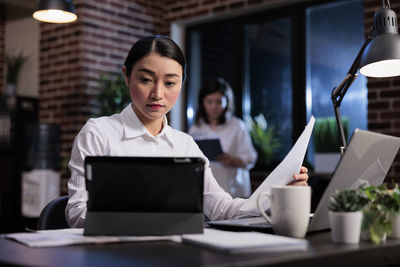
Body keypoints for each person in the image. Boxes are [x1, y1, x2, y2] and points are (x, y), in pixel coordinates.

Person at [66, 35, 308, 228]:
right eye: (146, 80)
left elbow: (221, 209)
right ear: (127, 76)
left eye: (170, 83)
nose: (158, 94)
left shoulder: (185, 145)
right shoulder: (98, 132)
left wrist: (275, 196)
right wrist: (139, 221)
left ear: (182, 83)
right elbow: (77, 212)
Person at [189, 78, 257, 198]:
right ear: (202, 102)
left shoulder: (237, 126)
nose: (214, 107)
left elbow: (251, 158)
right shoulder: (196, 128)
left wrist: (232, 160)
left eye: (219, 102)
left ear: (227, 102)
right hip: (206, 193)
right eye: (209, 102)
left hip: (233, 190)